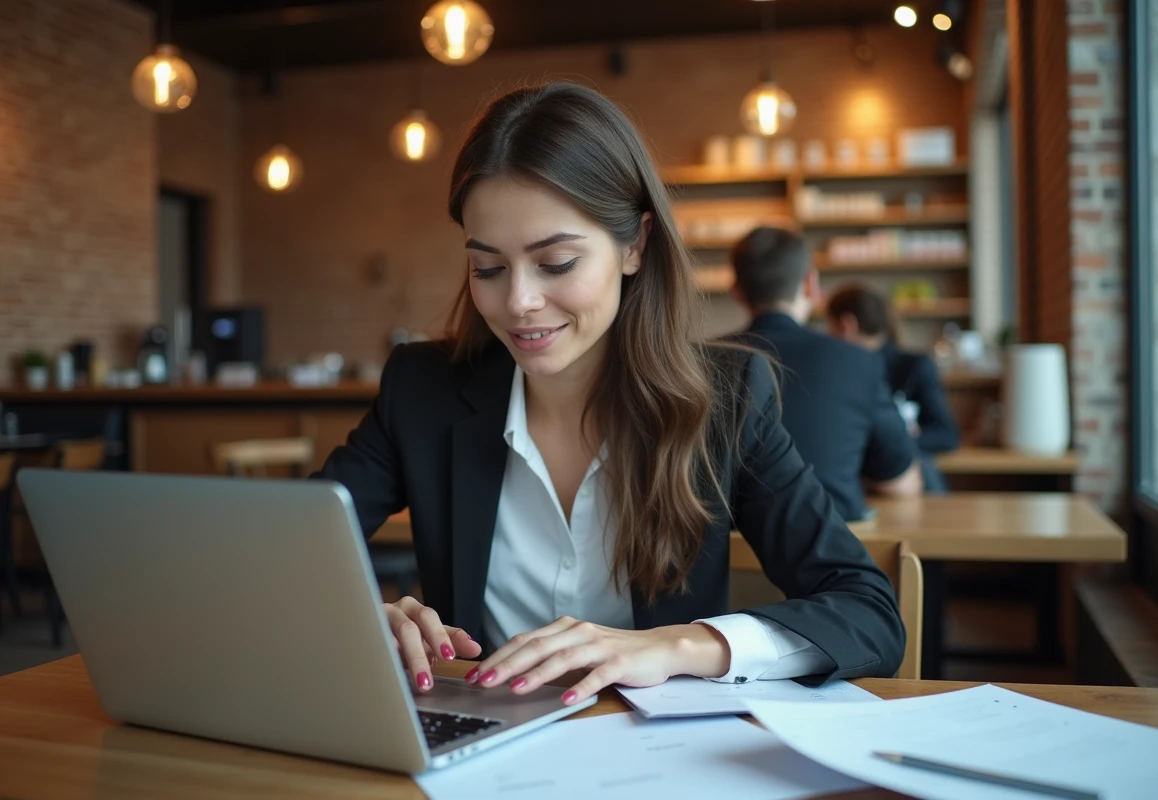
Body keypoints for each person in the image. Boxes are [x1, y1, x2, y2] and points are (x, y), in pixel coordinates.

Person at [314, 83, 903, 709]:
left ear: (634, 245)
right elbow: (273, 555)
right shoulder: (422, 389)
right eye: (487, 268)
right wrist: (360, 616)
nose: (518, 302)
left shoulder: (727, 400)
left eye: (558, 262)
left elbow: (867, 613)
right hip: (479, 751)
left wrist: (675, 646)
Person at [728, 227, 923, 523]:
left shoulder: (700, 362)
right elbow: (900, 483)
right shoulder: (856, 361)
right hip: (826, 560)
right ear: (811, 284)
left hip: (721, 561)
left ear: (737, 291)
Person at [825, 284, 960, 493]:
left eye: (829, 327)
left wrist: (897, 441)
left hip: (902, 474)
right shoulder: (839, 371)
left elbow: (946, 435)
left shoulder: (914, 367)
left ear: (846, 325)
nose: (828, 336)